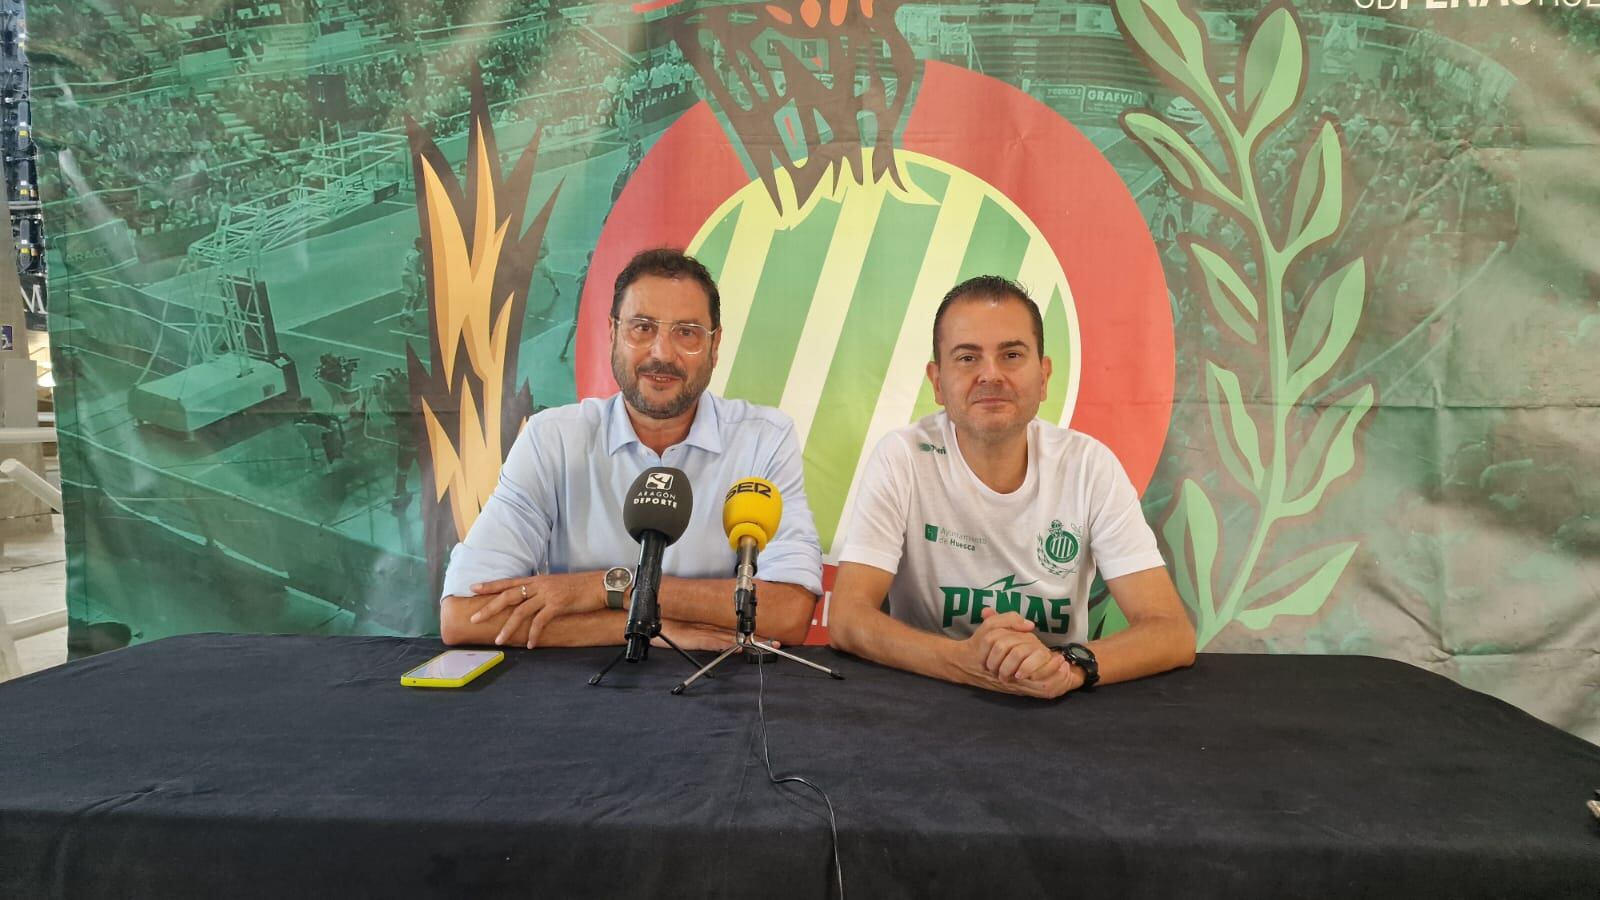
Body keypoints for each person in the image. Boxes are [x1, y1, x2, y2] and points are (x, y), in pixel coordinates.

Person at [828, 276, 1195, 698]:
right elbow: (847, 618)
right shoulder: (903, 458)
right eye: (967, 358)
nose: (991, 375)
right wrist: (962, 663)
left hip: (1055, 703)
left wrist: (1068, 667)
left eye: (1011, 355)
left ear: (1044, 376)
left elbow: (1171, 632)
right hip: (926, 697)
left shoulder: (1088, 466)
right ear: (937, 381)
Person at [439, 248, 823, 650]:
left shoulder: (763, 439)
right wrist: (646, 628)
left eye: (687, 332)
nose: (662, 353)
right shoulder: (551, 439)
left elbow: (789, 613)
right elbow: (464, 616)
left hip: (715, 692)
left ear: (715, 345)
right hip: (575, 693)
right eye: (642, 328)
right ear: (612, 333)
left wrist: (603, 587)